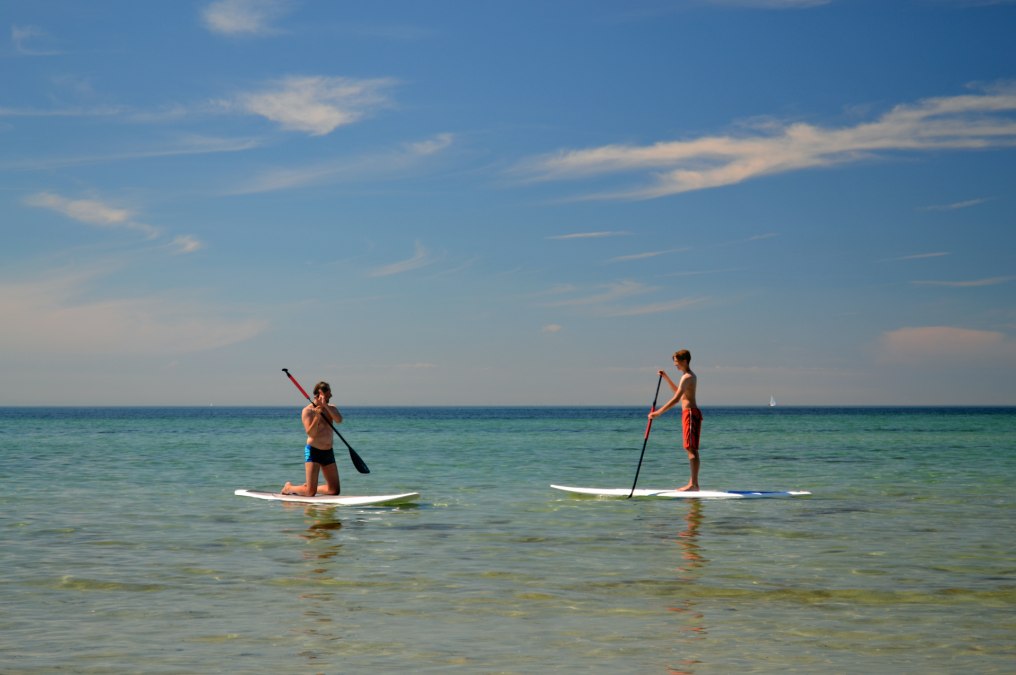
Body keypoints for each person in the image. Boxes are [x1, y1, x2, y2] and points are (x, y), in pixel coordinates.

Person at [648, 349, 702, 491]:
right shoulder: (685, 376)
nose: (675, 365)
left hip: (690, 413)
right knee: (690, 448)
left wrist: (659, 412)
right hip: (688, 414)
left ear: (684, 361)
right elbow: (678, 392)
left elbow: (677, 399)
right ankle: (693, 483)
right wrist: (666, 377)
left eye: (677, 362)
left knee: (691, 449)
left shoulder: (688, 376)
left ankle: (694, 484)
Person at [282, 381, 343, 496]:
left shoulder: (332, 408)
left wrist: (325, 406)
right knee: (310, 493)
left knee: (334, 490)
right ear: (319, 394)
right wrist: (317, 416)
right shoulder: (307, 411)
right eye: (328, 393)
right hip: (313, 451)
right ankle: (289, 488)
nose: (331, 396)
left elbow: (339, 420)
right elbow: (311, 434)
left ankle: (310, 486)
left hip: (328, 452)